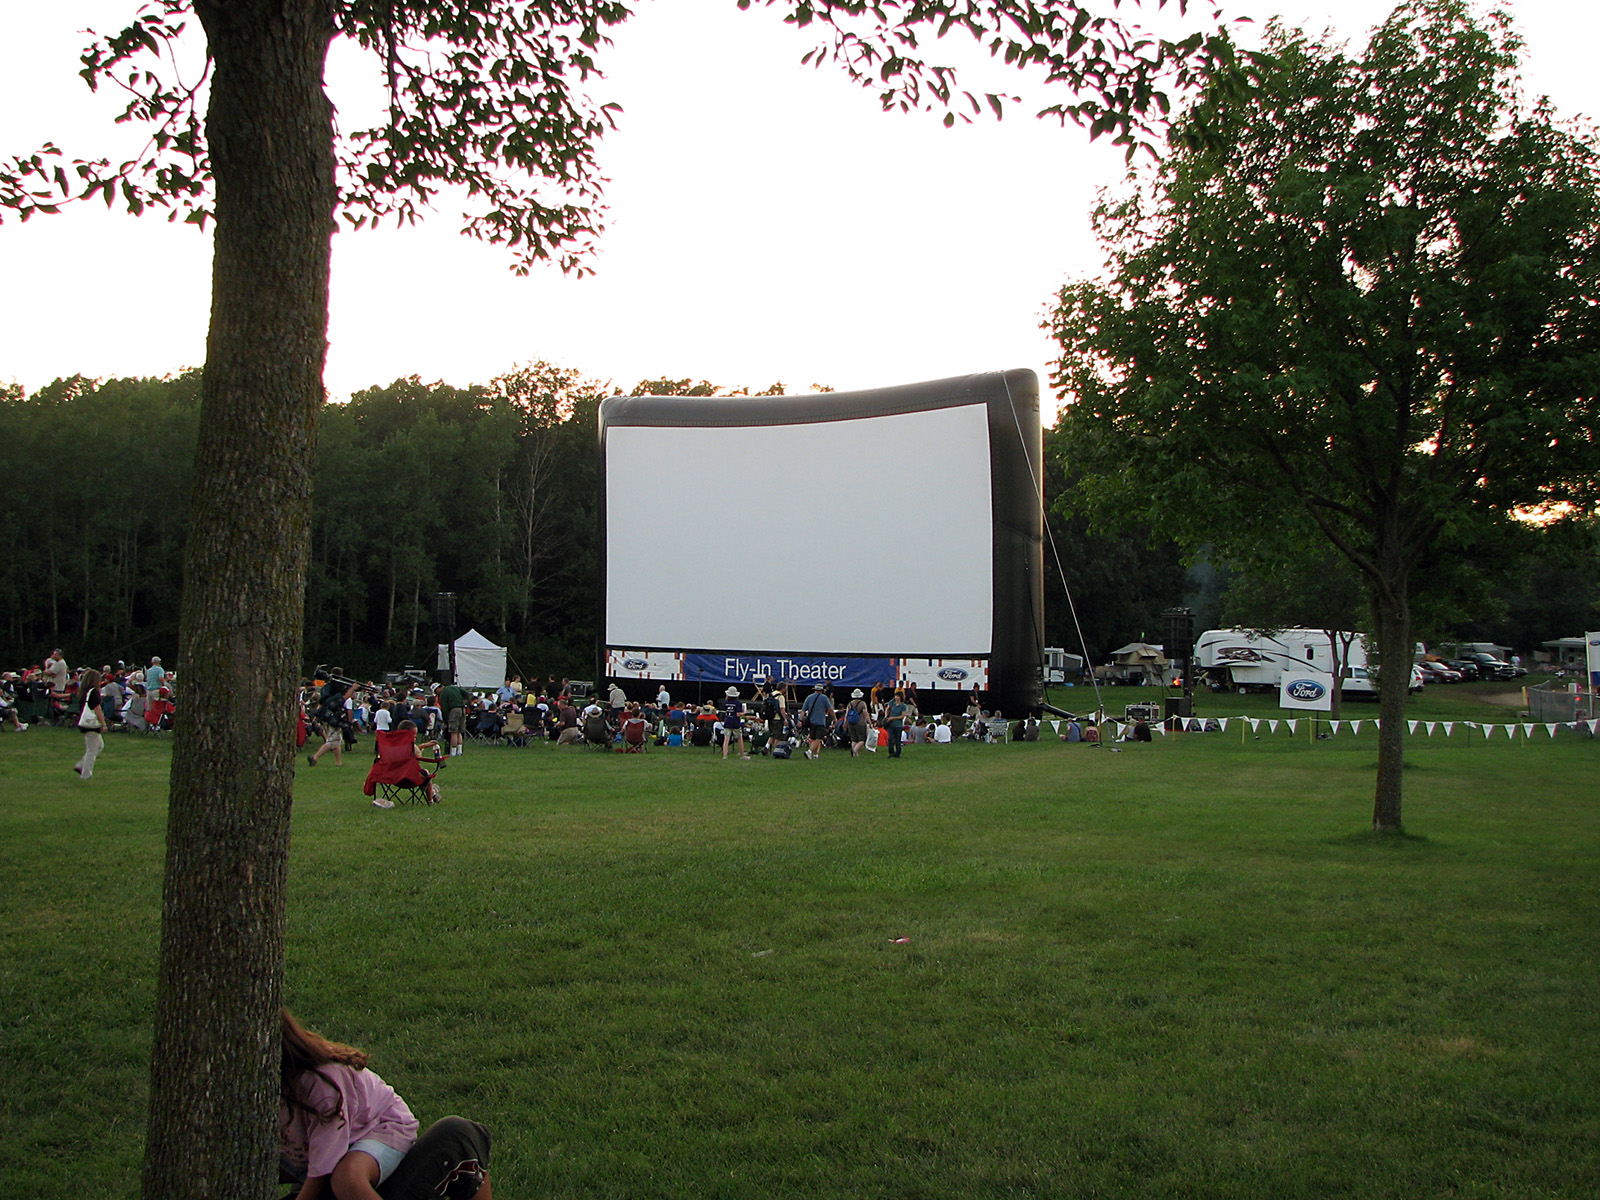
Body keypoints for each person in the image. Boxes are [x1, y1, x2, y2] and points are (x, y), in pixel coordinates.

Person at [279, 1009, 492, 1200]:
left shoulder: (322, 1086)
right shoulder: (267, 1094)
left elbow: (322, 1169)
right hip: (341, 1147)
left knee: (348, 1178)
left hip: (379, 1128)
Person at [74, 667, 105, 779]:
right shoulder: (94, 693)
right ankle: (86, 773)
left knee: (99, 746)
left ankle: (81, 765)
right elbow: (97, 709)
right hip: (91, 723)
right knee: (92, 749)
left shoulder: (84, 692)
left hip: (84, 722)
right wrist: (103, 723)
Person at [800, 683, 833, 759]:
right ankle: (809, 751)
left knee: (814, 738)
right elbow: (830, 709)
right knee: (819, 738)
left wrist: (800, 720)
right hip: (820, 721)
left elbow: (803, 710)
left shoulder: (809, 698)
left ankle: (815, 755)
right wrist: (835, 718)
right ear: (822, 690)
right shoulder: (824, 698)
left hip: (811, 721)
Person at [720, 686, 750, 760]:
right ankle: (742, 755)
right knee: (739, 738)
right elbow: (738, 714)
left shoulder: (725, 703)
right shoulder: (737, 703)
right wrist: (745, 712)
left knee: (726, 739)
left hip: (727, 721)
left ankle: (725, 755)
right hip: (735, 722)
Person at [439, 679, 467, 757]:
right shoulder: (454, 687)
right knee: (459, 732)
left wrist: (445, 720)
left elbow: (444, 708)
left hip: (454, 710)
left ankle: (453, 752)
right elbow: (466, 693)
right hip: (462, 709)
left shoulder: (443, 693)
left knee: (453, 732)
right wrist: (463, 702)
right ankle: (460, 750)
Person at [843, 688, 870, 757]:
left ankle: (855, 754)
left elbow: (846, 714)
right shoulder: (862, 703)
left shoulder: (850, 704)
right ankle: (854, 750)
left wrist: (845, 722)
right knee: (862, 739)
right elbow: (865, 714)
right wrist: (869, 722)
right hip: (860, 722)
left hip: (850, 722)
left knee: (854, 739)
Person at [884, 688, 910, 759]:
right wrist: (886, 716)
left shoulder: (903, 706)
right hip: (890, 724)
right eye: (895, 696)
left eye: (898, 696)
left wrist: (893, 718)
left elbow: (902, 716)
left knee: (897, 740)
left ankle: (897, 753)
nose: (896, 698)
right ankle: (891, 752)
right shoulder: (892, 702)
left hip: (898, 725)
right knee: (890, 738)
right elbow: (887, 708)